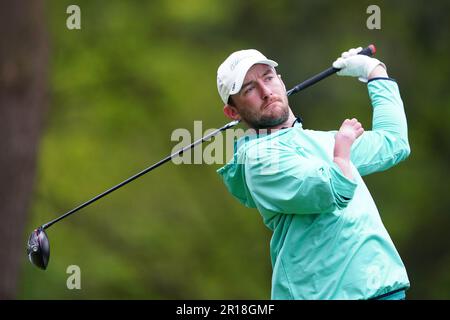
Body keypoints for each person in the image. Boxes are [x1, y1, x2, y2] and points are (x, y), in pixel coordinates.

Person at [216, 47, 411, 300]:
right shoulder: (259, 160)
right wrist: (342, 152)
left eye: (268, 77)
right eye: (249, 89)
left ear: (280, 80)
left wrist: (374, 72)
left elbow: (394, 142)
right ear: (233, 113)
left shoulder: (322, 142)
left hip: (384, 290)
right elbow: (332, 189)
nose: (266, 92)